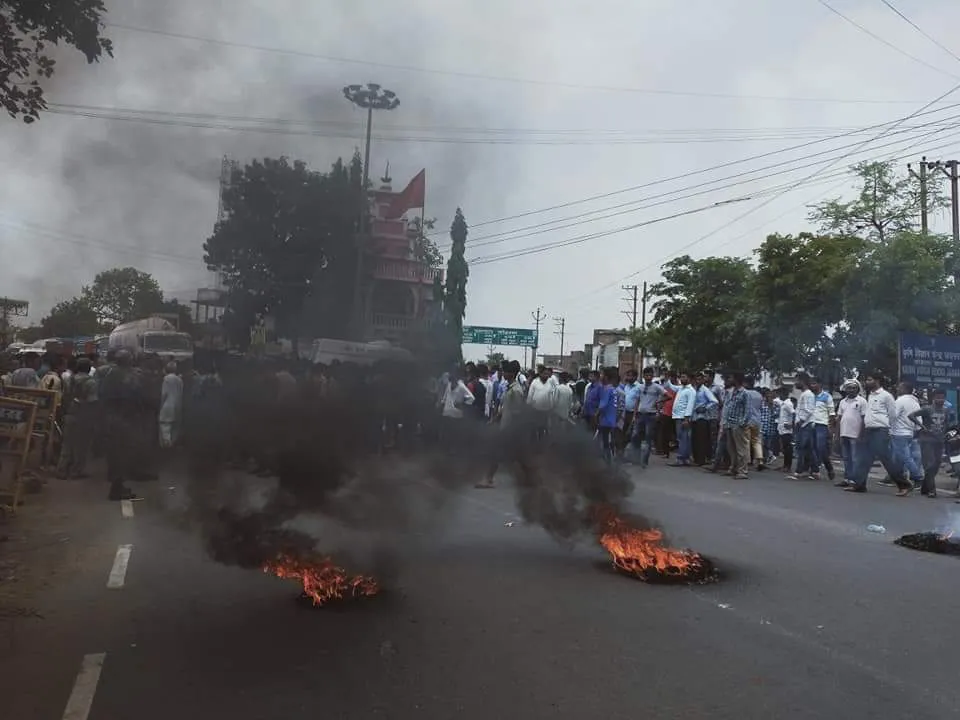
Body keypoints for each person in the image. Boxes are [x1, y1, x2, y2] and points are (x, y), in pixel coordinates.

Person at [845, 373, 901, 494]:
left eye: (870, 379)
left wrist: (888, 428)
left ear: (877, 381)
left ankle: (904, 484)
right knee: (863, 458)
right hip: (869, 430)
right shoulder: (870, 396)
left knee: (885, 458)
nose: (867, 382)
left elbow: (893, 415)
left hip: (880, 430)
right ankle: (859, 485)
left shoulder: (886, 396)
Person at [98, 349, 141, 501]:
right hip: (119, 419)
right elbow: (125, 397)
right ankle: (116, 490)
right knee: (120, 455)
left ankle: (119, 486)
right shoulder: (120, 375)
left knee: (121, 455)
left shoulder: (116, 374)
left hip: (119, 418)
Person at [56, 358, 96, 479]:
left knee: (67, 444)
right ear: (89, 368)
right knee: (82, 445)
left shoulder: (69, 379)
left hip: (69, 414)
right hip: (83, 417)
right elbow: (92, 401)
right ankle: (76, 471)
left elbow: (64, 398)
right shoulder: (91, 382)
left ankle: (61, 470)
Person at [909, 389, 948, 498]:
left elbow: (948, 424)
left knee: (937, 464)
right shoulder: (927, 409)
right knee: (929, 465)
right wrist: (922, 427)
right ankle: (932, 490)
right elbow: (911, 415)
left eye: (942, 397)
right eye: (938, 397)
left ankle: (925, 487)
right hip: (927, 440)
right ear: (933, 398)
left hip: (940, 440)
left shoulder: (946, 410)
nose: (940, 400)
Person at [889, 381, 922, 496]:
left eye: (899, 387)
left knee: (905, 457)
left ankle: (917, 477)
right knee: (897, 459)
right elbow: (919, 419)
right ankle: (901, 481)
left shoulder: (900, 401)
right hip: (909, 432)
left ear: (905, 389)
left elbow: (893, 416)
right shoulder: (915, 402)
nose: (897, 388)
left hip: (899, 433)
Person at [631, 367, 663, 468]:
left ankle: (644, 460)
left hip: (651, 415)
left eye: (650, 375)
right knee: (635, 436)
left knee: (648, 437)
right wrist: (634, 415)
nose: (648, 377)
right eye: (646, 375)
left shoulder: (657, 387)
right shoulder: (640, 387)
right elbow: (637, 401)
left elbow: (668, 395)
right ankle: (636, 458)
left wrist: (658, 403)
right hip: (640, 414)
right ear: (643, 376)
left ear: (652, 376)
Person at [835, 380, 865, 484]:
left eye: (854, 388)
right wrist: (837, 434)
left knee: (855, 458)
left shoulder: (862, 401)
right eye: (849, 388)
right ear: (846, 389)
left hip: (855, 434)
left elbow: (864, 418)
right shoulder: (843, 402)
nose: (851, 390)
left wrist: (861, 434)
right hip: (844, 433)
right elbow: (839, 418)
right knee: (846, 458)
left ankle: (855, 479)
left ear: (857, 389)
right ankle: (847, 478)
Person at [809, 377, 836, 481]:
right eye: (811, 384)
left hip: (822, 425)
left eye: (814, 383)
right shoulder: (810, 396)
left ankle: (824, 468)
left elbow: (832, 413)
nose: (812, 386)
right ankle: (816, 470)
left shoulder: (826, 396)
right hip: (811, 424)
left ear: (820, 384)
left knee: (820, 448)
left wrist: (831, 428)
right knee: (812, 448)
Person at [724, 373, 750, 479]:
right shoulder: (731, 392)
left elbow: (748, 410)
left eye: (731, 377)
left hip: (738, 423)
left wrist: (743, 422)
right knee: (731, 448)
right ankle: (733, 467)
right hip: (730, 423)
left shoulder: (744, 393)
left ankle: (742, 470)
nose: (729, 379)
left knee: (741, 448)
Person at [669, 372, 696, 466]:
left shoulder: (691, 390)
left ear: (689, 378)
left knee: (682, 438)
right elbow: (672, 387)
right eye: (681, 377)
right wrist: (667, 378)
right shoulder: (681, 388)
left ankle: (681, 458)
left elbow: (690, 405)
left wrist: (686, 418)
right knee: (683, 438)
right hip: (678, 416)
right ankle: (685, 458)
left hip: (683, 417)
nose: (681, 379)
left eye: (684, 377)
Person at [595, 367, 619, 463]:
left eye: (601, 374)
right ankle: (610, 460)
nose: (600, 376)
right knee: (608, 441)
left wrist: (596, 415)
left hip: (605, 421)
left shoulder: (607, 389)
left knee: (605, 443)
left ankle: (608, 463)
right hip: (611, 420)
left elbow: (602, 405)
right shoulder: (613, 389)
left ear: (606, 377)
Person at [158, 362, 184, 449]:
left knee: (165, 425)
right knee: (175, 426)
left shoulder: (166, 379)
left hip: (167, 405)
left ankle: (167, 445)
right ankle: (173, 444)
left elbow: (164, 393)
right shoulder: (180, 380)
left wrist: (160, 405)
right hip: (177, 405)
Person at [777, 387, 796, 475]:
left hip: (787, 430)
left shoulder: (788, 404)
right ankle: (785, 465)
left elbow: (794, 413)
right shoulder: (783, 403)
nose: (779, 396)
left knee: (788, 448)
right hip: (782, 429)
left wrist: (791, 424)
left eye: (780, 394)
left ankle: (788, 466)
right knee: (784, 448)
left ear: (784, 394)